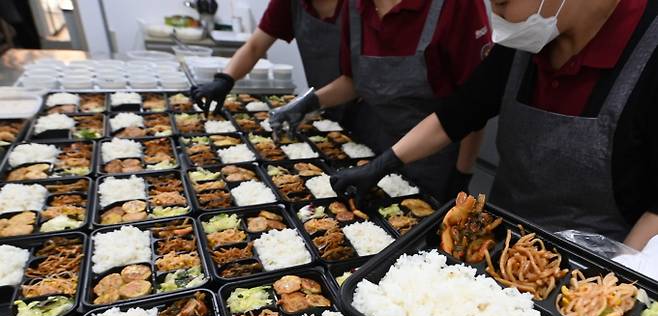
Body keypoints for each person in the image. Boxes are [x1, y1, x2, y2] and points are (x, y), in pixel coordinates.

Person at [330, 0, 658, 250]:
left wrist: (615, 284)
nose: (496, 18)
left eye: (502, 3)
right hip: (499, 240)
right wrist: (383, 164)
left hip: (592, 265)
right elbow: (459, 113)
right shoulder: (531, 34)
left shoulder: (649, 49)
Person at [269, 0, 491, 202]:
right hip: (375, 149)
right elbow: (355, 81)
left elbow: (473, 104)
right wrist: (309, 102)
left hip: (437, 161)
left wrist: (462, 175)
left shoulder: (457, 6)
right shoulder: (354, 6)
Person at [191, 0, 345, 115]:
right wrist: (224, 79)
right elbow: (255, 47)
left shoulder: (359, 7)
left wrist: (310, 102)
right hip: (323, 102)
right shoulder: (290, 3)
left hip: (363, 106)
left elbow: (359, 76)